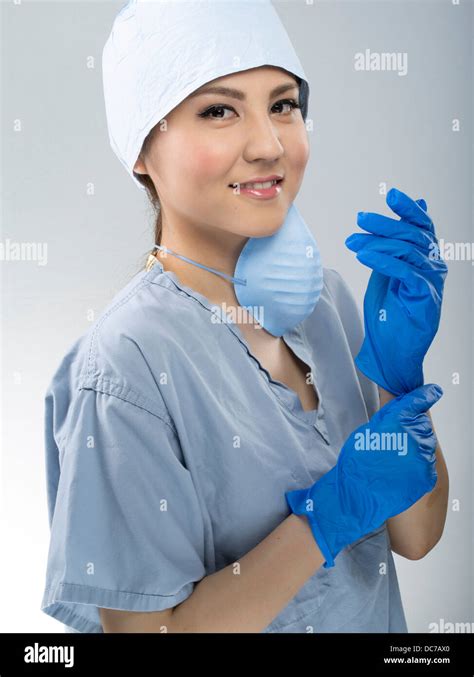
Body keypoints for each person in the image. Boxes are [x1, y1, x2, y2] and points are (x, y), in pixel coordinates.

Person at [41, 0, 448, 634]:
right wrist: (326, 516)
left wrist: (400, 377)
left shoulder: (331, 306)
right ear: (141, 151)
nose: (269, 144)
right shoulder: (127, 366)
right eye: (219, 111)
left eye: (284, 104)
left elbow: (417, 536)